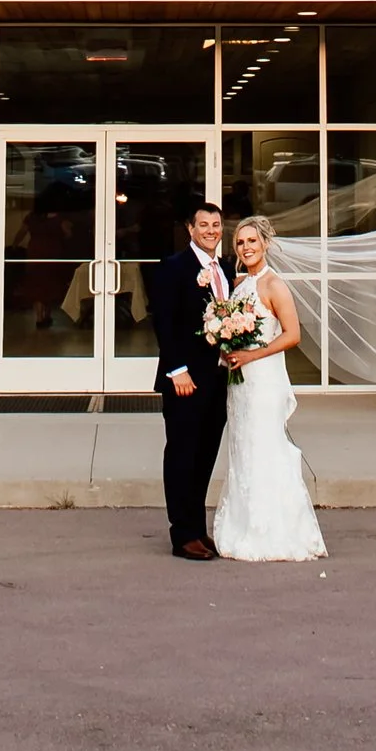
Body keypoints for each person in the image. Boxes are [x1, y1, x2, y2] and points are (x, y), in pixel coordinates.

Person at [209, 214, 327, 563]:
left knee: (266, 447)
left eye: (252, 241)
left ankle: (274, 531)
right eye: (240, 243)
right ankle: (244, 525)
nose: (246, 247)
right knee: (244, 448)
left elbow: (292, 335)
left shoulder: (275, 285)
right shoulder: (241, 283)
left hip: (264, 381)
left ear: (265, 244)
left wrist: (253, 354)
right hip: (242, 383)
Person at [147, 202, 233, 560]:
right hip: (185, 379)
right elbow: (164, 324)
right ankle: (182, 534)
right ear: (190, 229)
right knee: (182, 455)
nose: (211, 230)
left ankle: (197, 528)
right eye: (203, 225)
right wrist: (176, 369)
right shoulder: (174, 267)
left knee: (204, 455)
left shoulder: (225, 267)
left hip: (217, 378)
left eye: (216, 224)